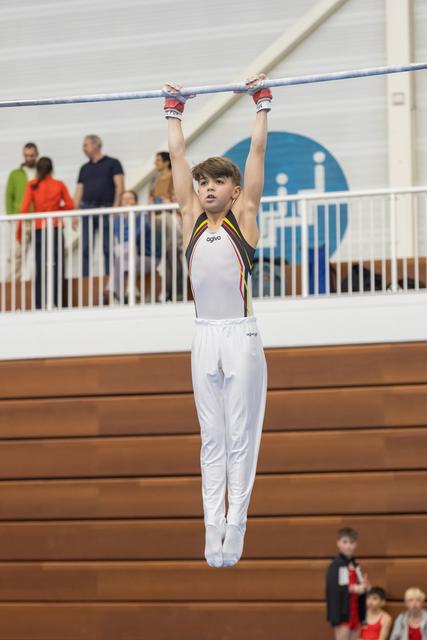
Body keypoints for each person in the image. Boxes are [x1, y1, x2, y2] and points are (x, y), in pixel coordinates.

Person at [164, 73, 271, 568]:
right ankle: (212, 528)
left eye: (217, 182)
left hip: (241, 336)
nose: (207, 187)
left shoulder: (243, 216)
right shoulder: (188, 218)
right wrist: (173, 110)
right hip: (203, 336)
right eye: (203, 182)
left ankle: (237, 526)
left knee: (240, 436)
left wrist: (261, 104)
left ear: (232, 192)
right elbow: (179, 160)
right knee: (212, 438)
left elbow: (256, 159)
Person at [18, 157, 73, 309]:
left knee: (40, 265)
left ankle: (39, 303)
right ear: (51, 169)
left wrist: (19, 231)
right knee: (57, 265)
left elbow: (23, 209)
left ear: (37, 169)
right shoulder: (59, 184)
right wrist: (56, 210)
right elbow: (70, 204)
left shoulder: (32, 185)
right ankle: (57, 301)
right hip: (55, 227)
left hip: (39, 228)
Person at [74, 135, 124, 299]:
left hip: (106, 209)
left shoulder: (113, 163)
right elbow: (79, 191)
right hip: (87, 210)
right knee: (86, 248)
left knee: (107, 247)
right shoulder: (84, 168)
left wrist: (115, 209)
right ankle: (86, 280)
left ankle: (110, 282)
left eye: (85, 145)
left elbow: (120, 186)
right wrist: (75, 213)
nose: (83, 148)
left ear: (96, 145)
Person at [148, 151, 182, 301]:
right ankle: (169, 291)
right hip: (157, 220)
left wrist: (166, 200)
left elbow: (177, 197)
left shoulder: (174, 177)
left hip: (170, 218)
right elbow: (150, 198)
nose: (155, 163)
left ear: (166, 162)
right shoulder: (154, 179)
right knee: (166, 256)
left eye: (158, 160)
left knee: (172, 254)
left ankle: (177, 291)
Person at [326, 527, 370, 640]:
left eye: (352, 542)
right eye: (345, 542)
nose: (348, 546)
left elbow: (360, 586)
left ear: (356, 544)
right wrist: (356, 588)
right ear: (338, 543)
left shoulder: (355, 565)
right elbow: (336, 588)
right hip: (343, 612)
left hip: (356, 610)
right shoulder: (337, 565)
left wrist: (364, 587)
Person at [111, 190, 153, 303]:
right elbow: (120, 238)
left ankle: (116, 293)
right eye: (124, 199)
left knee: (126, 250)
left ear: (136, 202)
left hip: (144, 257)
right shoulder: (117, 219)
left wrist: (130, 219)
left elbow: (136, 237)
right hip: (127, 256)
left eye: (130, 199)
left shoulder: (143, 216)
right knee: (123, 254)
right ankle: (130, 292)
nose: (127, 202)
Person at [5, 142, 39, 280]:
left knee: (37, 253)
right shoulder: (15, 174)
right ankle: (12, 283)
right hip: (21, 220)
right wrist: (12, 217)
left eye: (31, 155)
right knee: (16, 253)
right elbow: (9, 196)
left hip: (38, 219)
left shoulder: (41, 172)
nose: (29, 158)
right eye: (26, 155)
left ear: (36, 155)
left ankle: (34, 282)